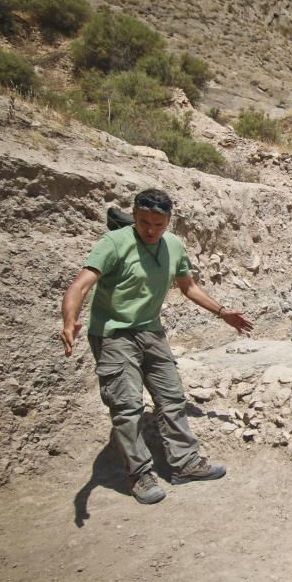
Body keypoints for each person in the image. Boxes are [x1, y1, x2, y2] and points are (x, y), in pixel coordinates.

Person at [60, 188, 253, 504]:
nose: (150, 229)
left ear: (168, 222)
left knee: (172, 396)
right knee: (126, 406)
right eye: (143, 221)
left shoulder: (174, 246)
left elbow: (188, 286)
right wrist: (70, 321)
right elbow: (79, 286)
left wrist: (223, 313)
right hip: (113, 334)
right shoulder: (115, 243)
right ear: (134, 216)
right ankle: (140, 474)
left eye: (157, 224)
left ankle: (185, 464)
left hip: (150, 330)